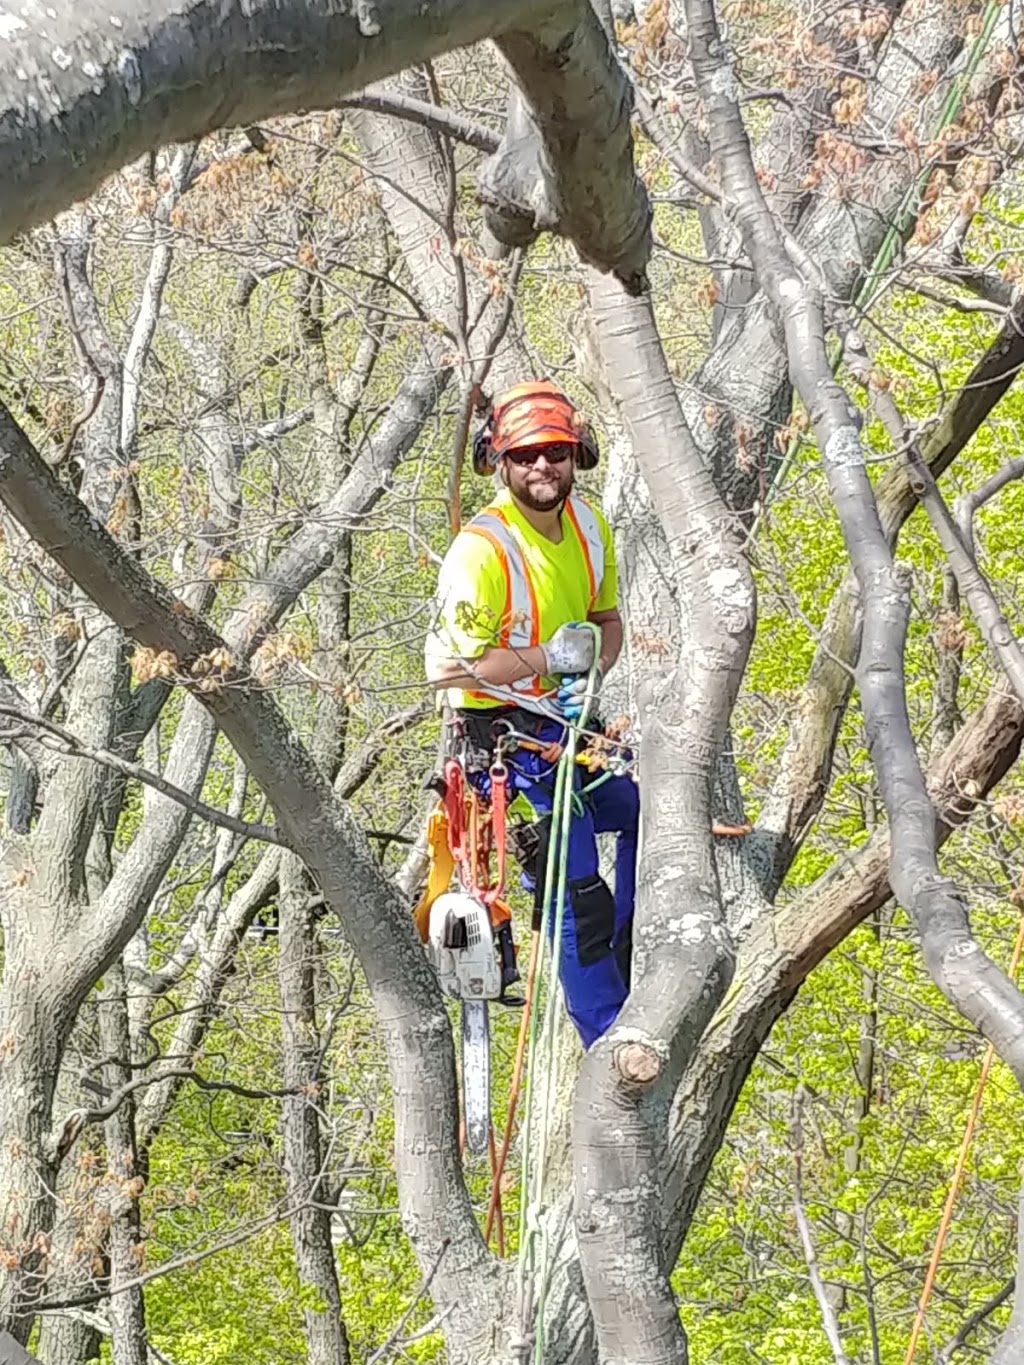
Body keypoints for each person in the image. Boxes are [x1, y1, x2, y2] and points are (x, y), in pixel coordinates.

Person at [425, 379, 638, 1049]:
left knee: (648, 814)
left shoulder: (588, 526)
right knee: (576, 887)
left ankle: (632, 962)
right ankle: (604, 1030)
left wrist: (590, 669)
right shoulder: (482, 551)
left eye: (554, 452)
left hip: (567, 725)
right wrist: (546, 658)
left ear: (577, 455)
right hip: (502, 740)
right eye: (525, 455)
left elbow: (606, 620)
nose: (542, 466)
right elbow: (449, 667)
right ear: (500, 461)